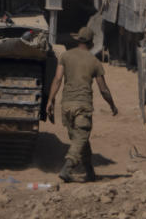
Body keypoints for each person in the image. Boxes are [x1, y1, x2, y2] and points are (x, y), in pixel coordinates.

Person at [45, 26, 118, 183]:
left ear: (77, 40)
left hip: (66, 106)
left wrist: (50, 100)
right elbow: (103, 89)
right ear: (91, 43)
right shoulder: (95, 61)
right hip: (82, 106)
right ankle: (67, 168)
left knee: (80, 139)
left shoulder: (65, 56)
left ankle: (90, 172)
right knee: (80, 139)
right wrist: (112, 105)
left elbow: (57, 79)